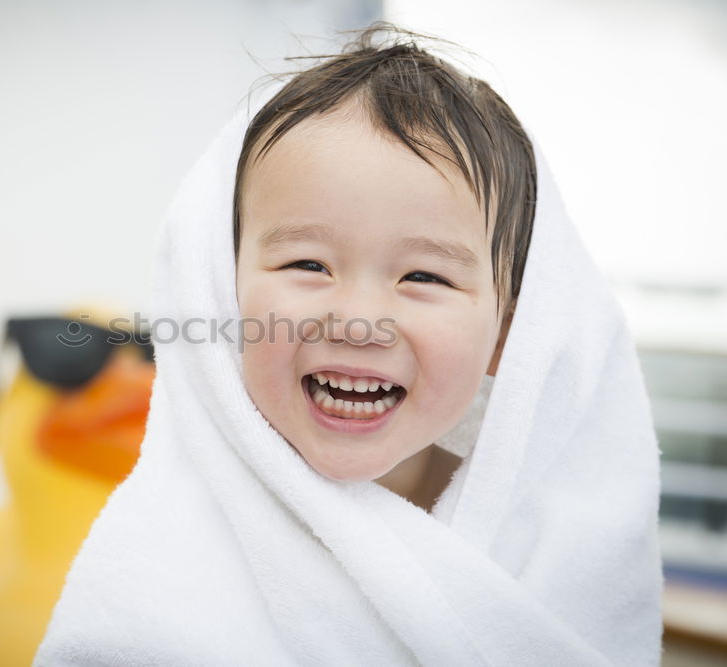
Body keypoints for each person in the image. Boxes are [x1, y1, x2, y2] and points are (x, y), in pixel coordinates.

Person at [35, 21, 663, 665]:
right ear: (224, 298)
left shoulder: (554, 548)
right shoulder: (157, 558)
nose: (358, 320)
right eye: (307, 265)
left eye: (424, 276)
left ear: (509, 337)